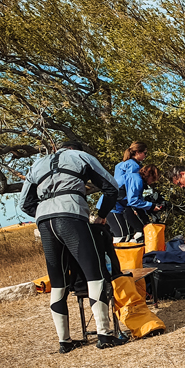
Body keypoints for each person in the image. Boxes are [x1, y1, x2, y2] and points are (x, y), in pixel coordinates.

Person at [20, 140, 125, 353]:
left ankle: (65, 342)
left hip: (44, 221)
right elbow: (112, 188)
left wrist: (45, 212)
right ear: (76, 149)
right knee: (94, 275)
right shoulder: (80, 157)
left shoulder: (36, 164)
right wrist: (102, 216)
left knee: (58, 281)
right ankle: (105, 335)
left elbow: (24, 203)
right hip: (71, 215)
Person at [107, 141, 160, 242]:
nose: (145, 156)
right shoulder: (134, 168)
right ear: (137, 152)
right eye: (145, 153)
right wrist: (148, 205)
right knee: (123, 235)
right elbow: (133, 189)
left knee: (127, 234)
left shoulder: (120, 165)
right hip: (120, 202)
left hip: (119, 200)